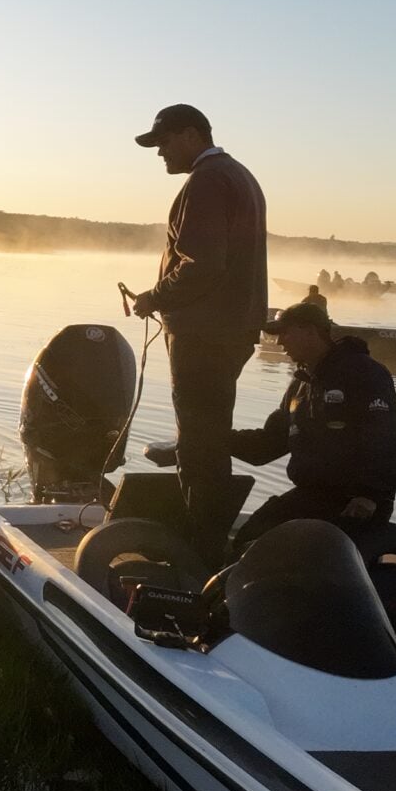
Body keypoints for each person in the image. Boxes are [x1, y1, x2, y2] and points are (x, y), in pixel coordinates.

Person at [126, 104, 268, 560]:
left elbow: (203, 264)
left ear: (191, 136)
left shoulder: (206, 181)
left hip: (204, 334)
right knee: (209, 436)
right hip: (233, 329)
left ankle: (199, 551)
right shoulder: (240, 175)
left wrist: (154, 297)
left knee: (199, 445)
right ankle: (209, 539)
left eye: (164, 142)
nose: (160, 153)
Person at [221, 301, 396, 551]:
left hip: (356, 501)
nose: (279, 342)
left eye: (285, 333)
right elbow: (268, 444)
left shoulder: (364, 372)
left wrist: (370, 495)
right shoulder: (300, 385)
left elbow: (384, 434)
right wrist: (214, 438)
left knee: (307, 557)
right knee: (249, 538)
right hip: (312, 496)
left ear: (311, 331)